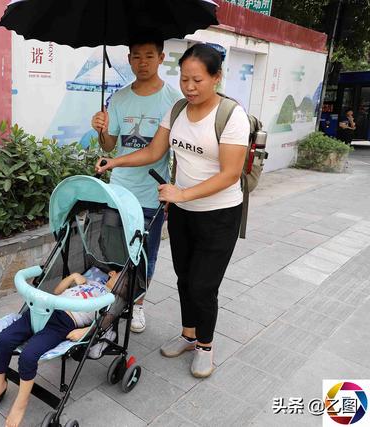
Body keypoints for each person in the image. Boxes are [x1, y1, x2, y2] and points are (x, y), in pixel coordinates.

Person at [96, 43, 250, 378]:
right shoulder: (178, 110)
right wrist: (115, 160)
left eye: (198, 80)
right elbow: (154, 150)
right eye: (184, 80)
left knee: (203, 285)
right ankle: (188, 335)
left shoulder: (232, 115)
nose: (190, 87)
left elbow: (230, 173)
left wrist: (182, 192)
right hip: (182, 211)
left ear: (217, 77)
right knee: (184, 279)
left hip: (219, 214)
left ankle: (205, 347)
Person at [90, 35, 181, 334]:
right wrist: (102, 129)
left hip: (151, 193)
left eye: (149, 56)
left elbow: (163, 152)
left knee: (145, 255)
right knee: (114, 252)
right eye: (137, 56)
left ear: (161, 57)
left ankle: (137, 305)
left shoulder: (173, 100)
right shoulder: (118, 98)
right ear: (129, 59)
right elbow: (110, 145)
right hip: (118, 190)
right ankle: (113, 302)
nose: (142, 63)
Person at [0, 267, 119, 427]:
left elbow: (106, 320)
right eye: (121, 277)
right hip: (44, 309)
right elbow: (57, 290)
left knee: (28, 355)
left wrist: (85, 331)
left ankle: (21, 402)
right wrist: (73, 276)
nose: (124, 282)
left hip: (64, 322)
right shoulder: (88, 280)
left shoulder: (111, 299)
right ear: (111, 273)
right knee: (5, 338)